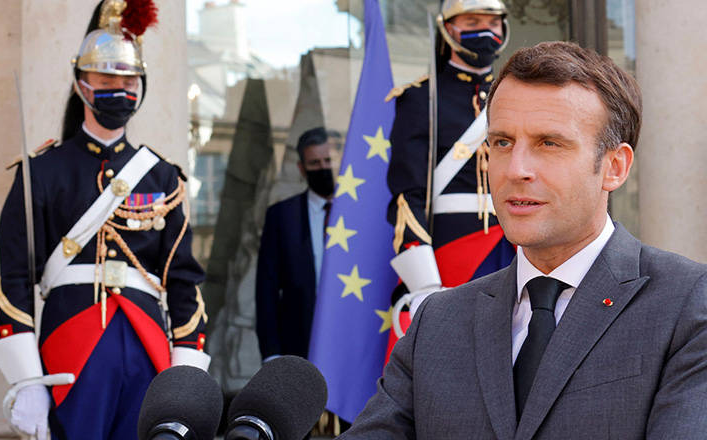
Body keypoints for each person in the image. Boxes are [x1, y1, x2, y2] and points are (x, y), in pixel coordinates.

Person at [341, 41, 707, 439]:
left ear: (614, 167)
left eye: (549, 143)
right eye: (502, 143)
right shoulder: (436, 323)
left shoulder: (686, 307)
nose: (516, 169)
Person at [0, 1, 208, 439]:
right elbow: (14, 281)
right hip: (71, 345)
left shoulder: (164, 176)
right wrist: (27, 380)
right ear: (82, 83)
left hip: (147, 345)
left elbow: (183, 282)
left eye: (128, 81)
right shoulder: (41, 172)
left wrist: (186, 378)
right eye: (106, 79)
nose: (118, 90)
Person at [385, 0, 515, 319]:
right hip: (449, 249)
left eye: (492, 22)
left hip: (516, 245)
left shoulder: (516, 96)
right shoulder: (420, 98)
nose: (484, 30)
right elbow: (408, 196)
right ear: (449, 28)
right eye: (471, 22)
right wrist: (425, 283)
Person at [255, 127, 334, 362]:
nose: (323, 168)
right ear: (302, 168)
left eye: (328, 161)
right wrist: (271, 354)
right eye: (315, 163)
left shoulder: (359, 214)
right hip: (299, 345)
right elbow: (266, 291)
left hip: (351, 338)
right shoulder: (282, 216)